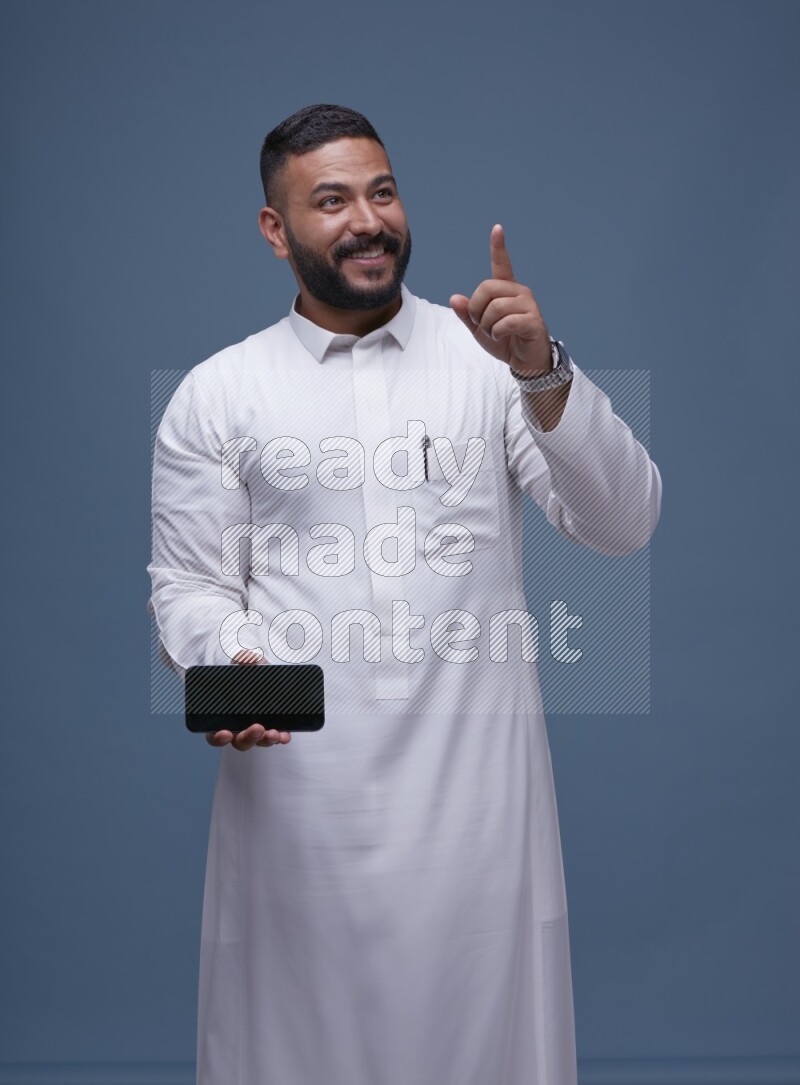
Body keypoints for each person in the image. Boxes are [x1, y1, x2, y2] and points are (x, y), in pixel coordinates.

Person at [148, 103, 661, 1085]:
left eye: (380, 192)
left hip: (478, 817)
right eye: (330, 200)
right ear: (274, 229)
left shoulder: (488, 359)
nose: (366, 220)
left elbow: (623, 520)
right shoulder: (217, 394)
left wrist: (542, 374)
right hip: (301, 807)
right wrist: (233, 660)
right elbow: (191, 584)